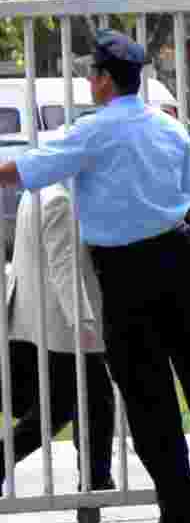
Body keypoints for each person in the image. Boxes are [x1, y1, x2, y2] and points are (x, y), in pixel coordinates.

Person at [0, 29, 190, 523]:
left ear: (104, 80)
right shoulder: (169, 129)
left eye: (92, 73)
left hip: (124, 272)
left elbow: (30, 168)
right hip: (177, 261)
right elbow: (182, 194)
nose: (89, 80)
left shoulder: (92, 132)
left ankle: (178, 513)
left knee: (149, 395)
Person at [1, 183, 115, 503]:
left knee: (76, 404)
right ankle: (96, 482)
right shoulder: (60, 201)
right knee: (83, 403)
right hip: (64, 325)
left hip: (44, 319)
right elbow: (64, 266)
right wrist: (82, 320)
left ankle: (96, 480)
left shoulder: (38, 191)